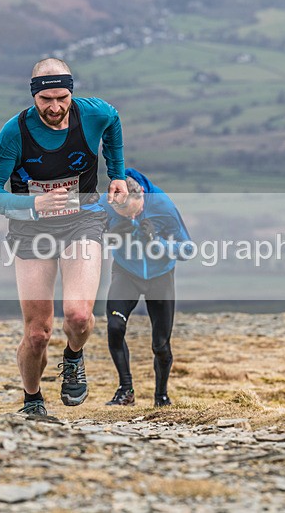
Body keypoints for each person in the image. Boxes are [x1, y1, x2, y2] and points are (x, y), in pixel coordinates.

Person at [0, 58, 128, 416]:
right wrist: (33, 205)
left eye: (62, 97)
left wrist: (117, 173)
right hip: (32, 230)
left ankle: (74, 357)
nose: (55, 107)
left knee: (78, 316)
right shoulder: (15, 133)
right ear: (34, 96)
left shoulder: (93, 114)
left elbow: (113, 121)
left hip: (83, 221)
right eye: (46, 99)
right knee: (37, 333)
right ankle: (32, 400)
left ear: (71, 92)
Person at [101, 168, 194, 407]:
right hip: (126, 272)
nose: (132, 218)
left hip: (159, 276)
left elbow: (188, 250)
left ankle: (161, 397)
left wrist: (158, 242)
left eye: (135, 212)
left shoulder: (163, 206)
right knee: (114, 326)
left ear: (141, 195)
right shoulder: (107, 202)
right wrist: (110, 234)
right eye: (123, 214)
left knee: (160, 345)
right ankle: (126, 390)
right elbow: (89, 234)